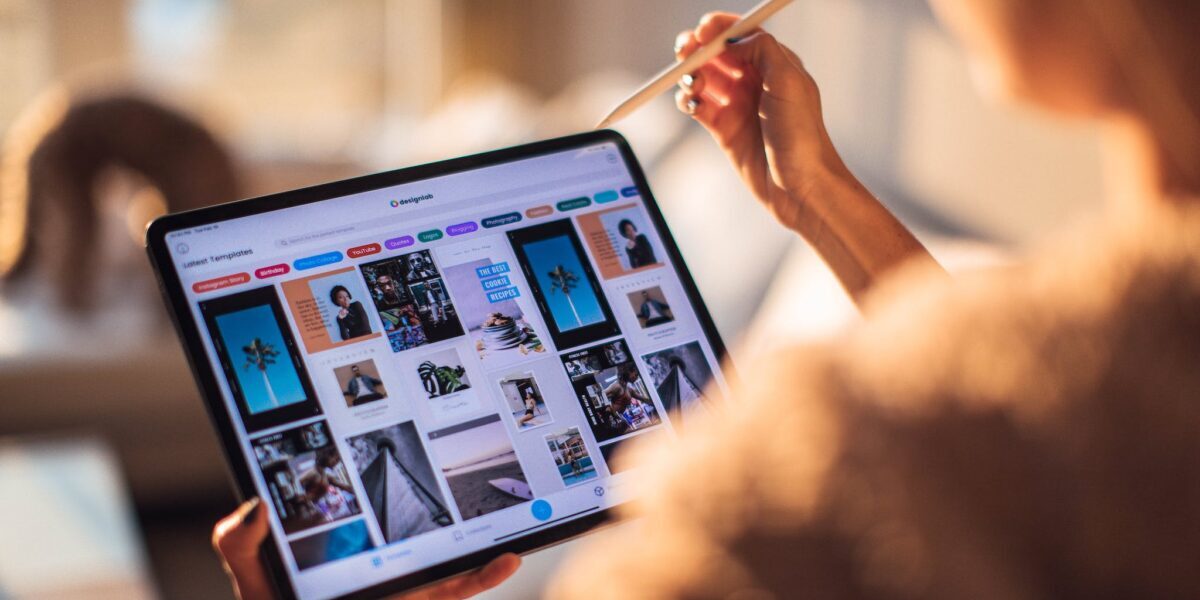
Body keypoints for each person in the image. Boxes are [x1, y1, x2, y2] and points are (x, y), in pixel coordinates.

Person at [217, 0, 1200, 596]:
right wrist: (815, 196)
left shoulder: (813, 480)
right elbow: (1020, 414)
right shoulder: (1115, 396)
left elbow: (987, 429)